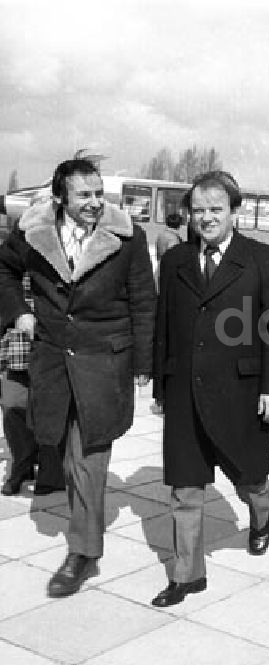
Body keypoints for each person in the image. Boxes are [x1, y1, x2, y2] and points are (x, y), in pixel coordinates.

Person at [0, 157, 156, 597]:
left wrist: (144, 364)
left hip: (104, 363)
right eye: (83, 195)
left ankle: (83, 552)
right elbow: (4, 270)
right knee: (67, 458)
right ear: (60, 198)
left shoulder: (127, 238)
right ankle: (83, 535)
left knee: (89, 459)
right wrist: (19, 313)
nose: (94, 203)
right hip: (52, 363)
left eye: (97, 193)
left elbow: (145, 300)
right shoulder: (33, 234)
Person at [152, 171, 269, 607]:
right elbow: (164, 327)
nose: (206, 218)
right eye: (198, 210)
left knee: (250, 477)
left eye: (215, 209)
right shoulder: (175, 261)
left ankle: (261, 515)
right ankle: (187, 575)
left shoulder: (263, 259)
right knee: (185, 488)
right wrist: (161, 385)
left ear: (234, 211)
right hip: (184, 391)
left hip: (243, 391)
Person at [1, 275, 65, 497]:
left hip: (49, 354)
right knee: (11, 408)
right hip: (16, 354)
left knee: (48, 416)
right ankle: (22, 465)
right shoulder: (9, 272)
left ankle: (51, 473)